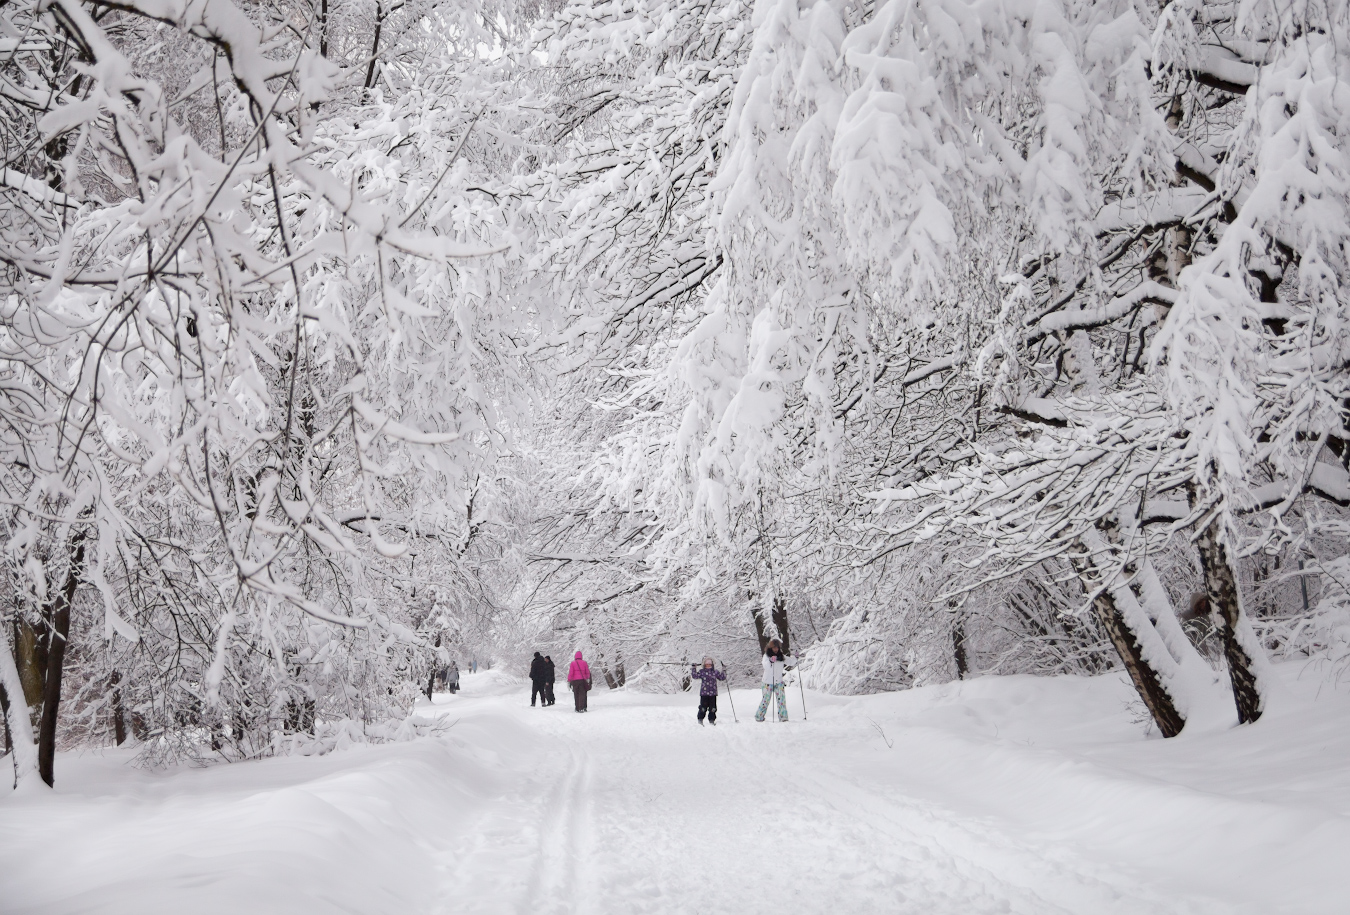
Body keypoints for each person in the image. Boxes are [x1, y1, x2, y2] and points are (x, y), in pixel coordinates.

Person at [754, 639, 796, 722]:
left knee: (781, 700)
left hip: (778, 682)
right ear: (771, 647)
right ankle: (759, 716)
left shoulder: (781, 656)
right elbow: (766, 666)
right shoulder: (766, 656)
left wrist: (796, 658)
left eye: (777, 647)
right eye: (774, 647)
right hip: (767, 682)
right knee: (766, 700)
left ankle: (783, 717)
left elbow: (790, 662)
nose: (776, 649)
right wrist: (770, 661)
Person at [690, 657, 726, 725]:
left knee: (713, 708)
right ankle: (700, 719)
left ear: (712, 664)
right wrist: (694, 668)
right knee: (703, 707)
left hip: (713, 693)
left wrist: (724, 670)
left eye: (709, 664)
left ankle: (712, 720)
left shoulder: (715, 672)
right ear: (704, 664)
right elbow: (695, 676)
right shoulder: (702, 672)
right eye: (707, 664)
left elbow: (722, 677)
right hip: (704, 693)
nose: (708, 665)